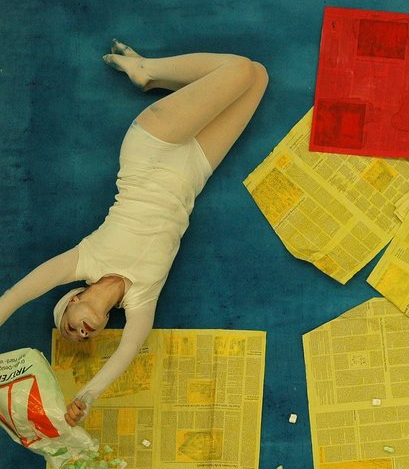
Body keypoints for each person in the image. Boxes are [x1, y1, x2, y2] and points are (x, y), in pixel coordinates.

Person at [0, 41, 268, 426]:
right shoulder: (142, 300)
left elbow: (16, 295)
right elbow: (126, 353)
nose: (79, 333)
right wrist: (87, 396)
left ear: (74, 298)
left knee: (240, 69)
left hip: (151, 149)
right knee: (258, 76)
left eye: (69, 326)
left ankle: (147, 69)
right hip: (191, 173)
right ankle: (156, 78)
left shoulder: (84, 260)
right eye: (84, 338)